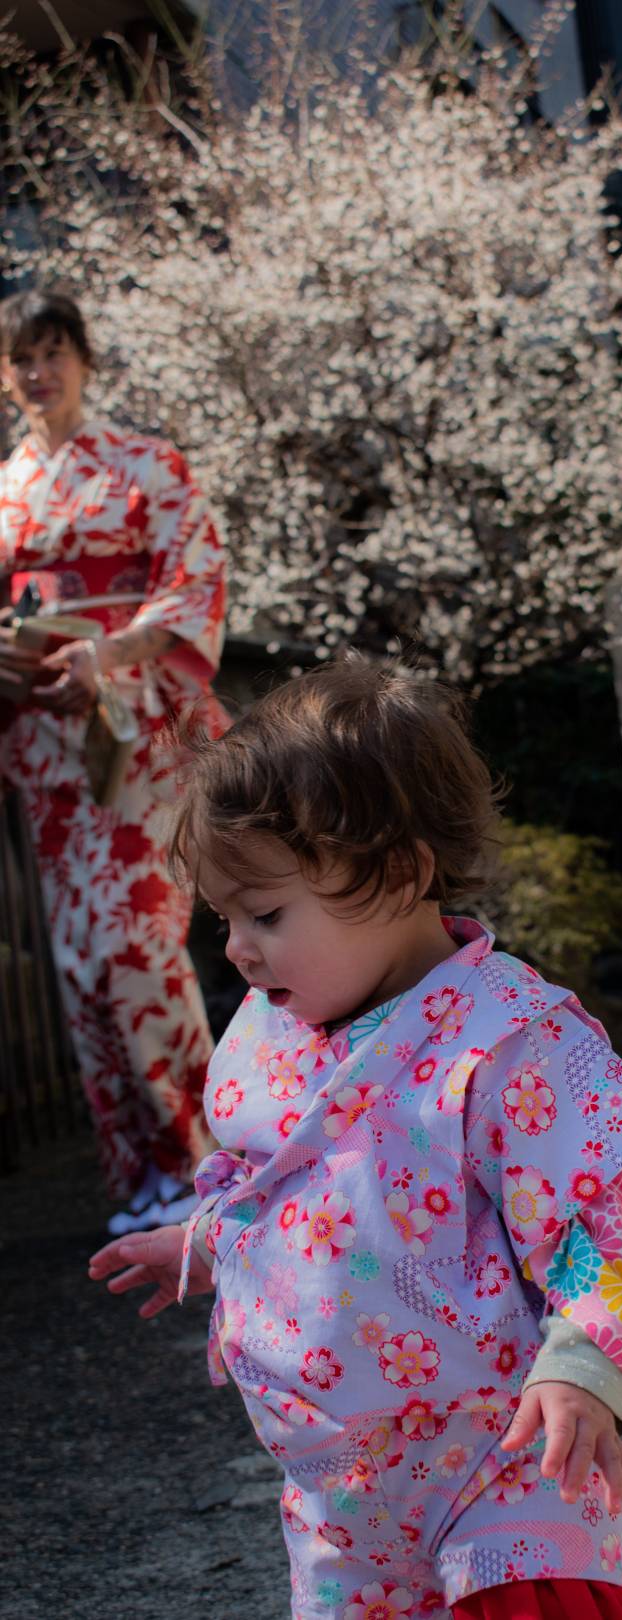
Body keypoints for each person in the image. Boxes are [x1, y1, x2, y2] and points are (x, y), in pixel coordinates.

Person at [90, 657, 622, 1620]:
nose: (238, 949)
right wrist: (200, 1243)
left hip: (497, 1456)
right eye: (227, 918)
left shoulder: (506, 1036)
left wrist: (586, 1366)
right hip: (337, 1489)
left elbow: (596, 1221)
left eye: (268, 913)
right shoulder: (271, 1033)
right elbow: (259, 1183)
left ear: (399, 873)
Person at [0, 288, 228, 1231]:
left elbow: (197, 578)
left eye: (53, 351)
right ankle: (140, 1177)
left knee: (140, 946)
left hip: (139, 733)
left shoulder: (148, 464)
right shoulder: (4, 485)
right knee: (79, 958)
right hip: (50, 746)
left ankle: (204, 1160)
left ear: (84, 360)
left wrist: (109, 654)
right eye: (20, 358)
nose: (37, 372)